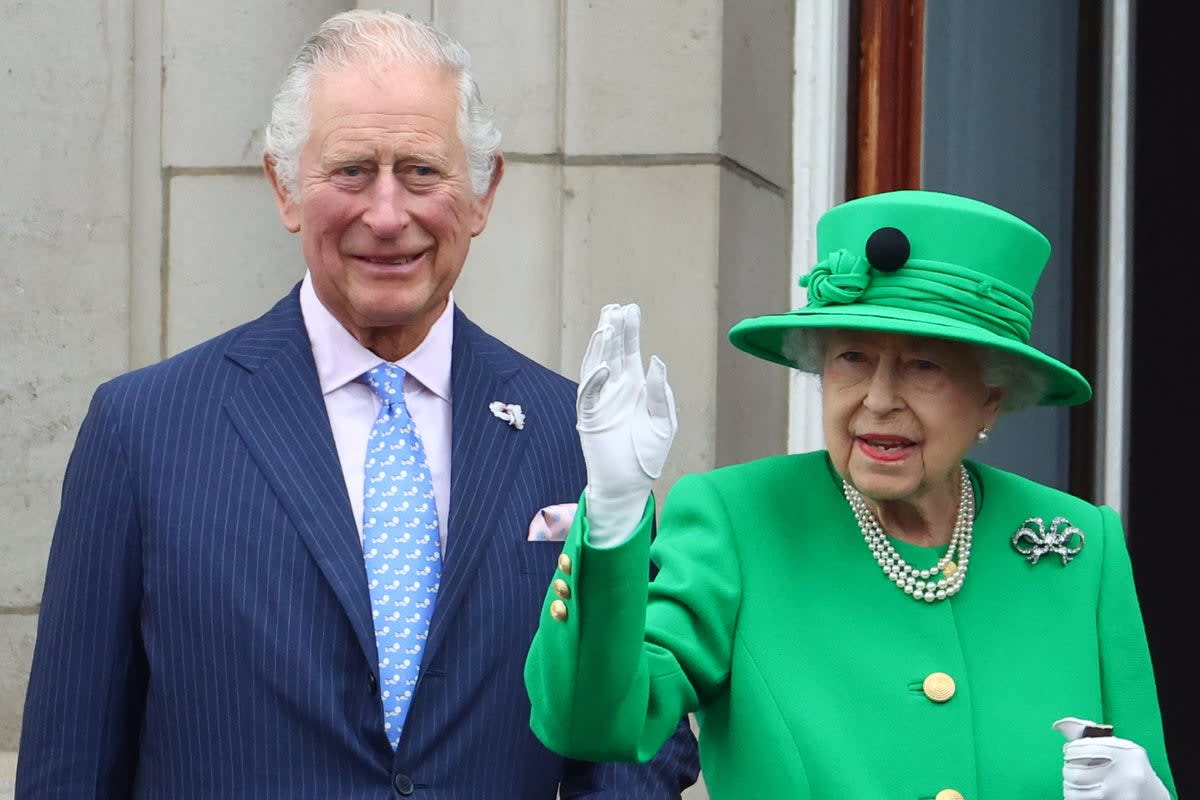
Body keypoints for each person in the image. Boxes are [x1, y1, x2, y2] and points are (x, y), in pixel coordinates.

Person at [15, 9, 698, 799]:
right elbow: (69, 765)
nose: (385, 214)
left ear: (482, 192)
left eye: (420, 171)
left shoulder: (574, 438)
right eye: (350, 171)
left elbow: (634, 748)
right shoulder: (143, 432)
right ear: (283, 185)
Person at [524, 189, 1176, 799]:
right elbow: (598, 722)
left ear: (992, 398)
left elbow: (1138, 761)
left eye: (923, 365)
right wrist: (611, 517)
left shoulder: (1079, 545)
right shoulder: (740, 521)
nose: (879, 399)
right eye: (852, 358)